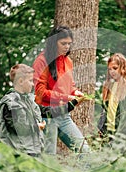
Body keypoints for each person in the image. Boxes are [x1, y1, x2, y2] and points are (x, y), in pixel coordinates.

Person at [32, 25, 90, 154]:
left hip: (64, 116)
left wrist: (75, 92)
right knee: (49, 157)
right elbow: (40, 93)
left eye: (69, 44)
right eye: (63, 43)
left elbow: (70, 86)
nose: (67, 47)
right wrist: (66, 97)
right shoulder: (42, 61)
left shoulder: (68, 61)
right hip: (46, 116)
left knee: (84, 151)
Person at [0, 64, 45, 157]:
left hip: (34, 153)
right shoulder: (10, 103)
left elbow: (48, 111)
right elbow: (17, 127)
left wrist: (72, 102)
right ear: (20, 81)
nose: (33, 84)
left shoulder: (29, 101)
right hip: (17, 156)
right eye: (30, 81)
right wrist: (36, 126)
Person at [97, 53, 126, 152]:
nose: (112, 72)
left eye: (115, 68)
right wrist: (101, 129)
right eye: (110, 69)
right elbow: (105, 110)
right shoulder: (108, 86)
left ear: (123, 68)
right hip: (108, 133)